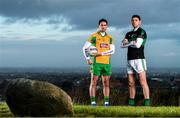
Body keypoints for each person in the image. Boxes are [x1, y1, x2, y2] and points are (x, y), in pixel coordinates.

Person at [82, 18, 115, 106]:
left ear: (107, 26)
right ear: (99, 26)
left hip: (107, 63)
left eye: (105, 25)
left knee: (106, 83)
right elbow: (84, 48)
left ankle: (107, 102)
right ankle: (93, 102)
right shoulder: (93, 36)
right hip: (96, 63)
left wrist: (101, 53)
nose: (103, 27)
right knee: (93, 82)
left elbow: (112, 51)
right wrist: (88, 59)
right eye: (101, 25)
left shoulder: (110, 38)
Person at [121, 15, 150, 106]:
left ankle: (147, 104)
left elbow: (137, 45)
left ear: (140, 21)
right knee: (130, 83)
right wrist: (132, 42)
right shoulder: (128, 34)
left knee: (142, 82)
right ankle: (131, 104)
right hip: (129, 59)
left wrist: (128, 43)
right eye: (133, 20)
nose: (134, 22)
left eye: (136, 20)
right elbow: (122, 45)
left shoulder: (142, 32)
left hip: (139, 59)